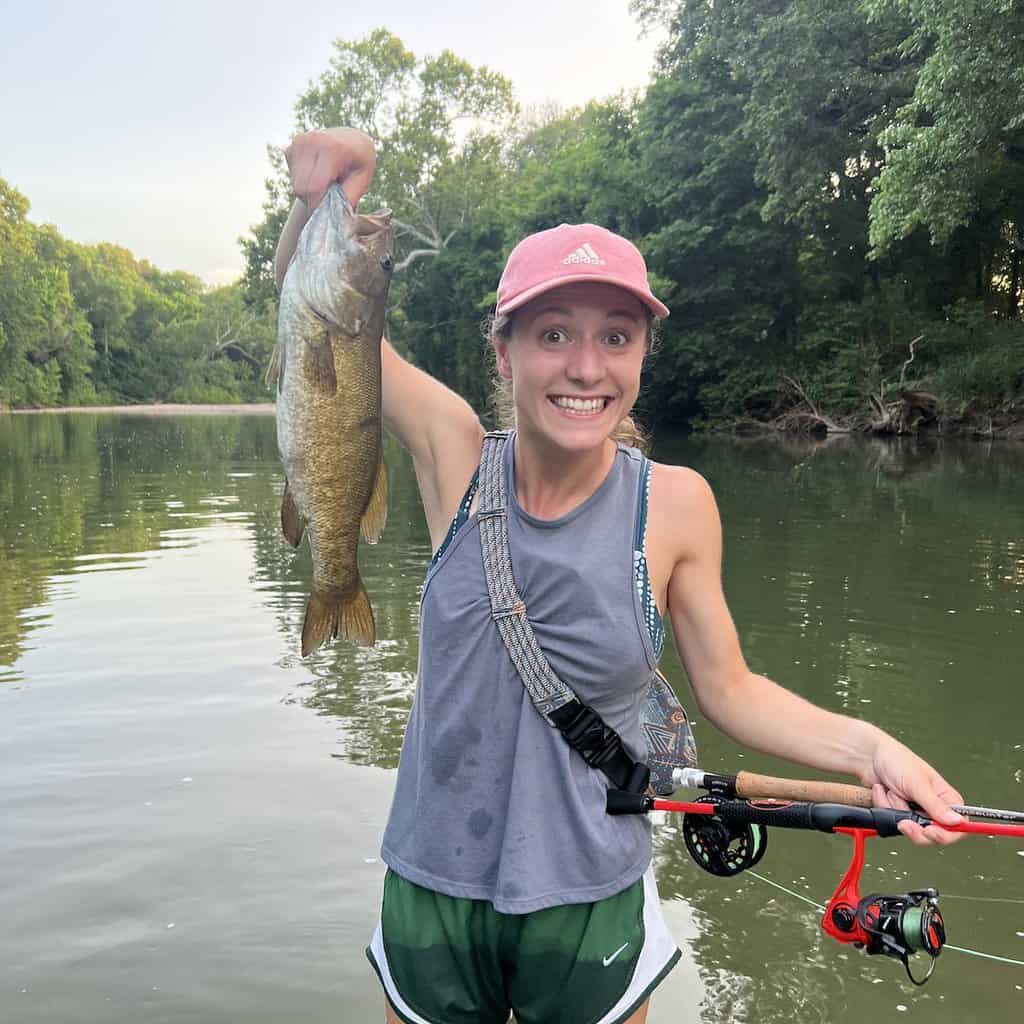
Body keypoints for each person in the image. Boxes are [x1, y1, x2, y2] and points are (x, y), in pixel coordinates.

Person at [276, 128, 965, 1024]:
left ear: (642, 353)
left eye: (616, 335)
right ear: (504, 350)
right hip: (434, 883)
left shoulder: (677, 504)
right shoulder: (451, 456)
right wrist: (313, 202)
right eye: (553, 333)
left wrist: (873, 749)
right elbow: (314, 317)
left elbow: (732, 689)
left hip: (589, 890)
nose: (585, 367)